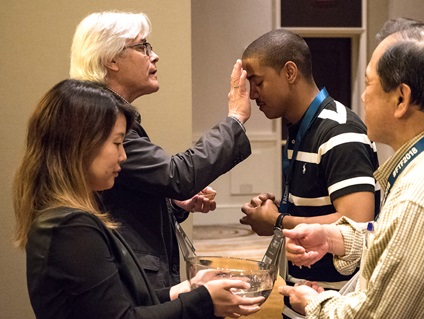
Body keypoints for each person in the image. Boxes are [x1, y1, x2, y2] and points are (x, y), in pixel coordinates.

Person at [278, 18, 424, 318]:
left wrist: (312, 302)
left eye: (369, 83)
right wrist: (334, 238)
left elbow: (375, 315)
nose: (362, 95)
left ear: (401, 98)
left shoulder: (420, 195)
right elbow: (402, 242)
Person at [13, 79, 263, 319]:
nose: (123, 156)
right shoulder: (70, 227)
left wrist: (185, 289)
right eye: (117, 143)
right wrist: (204, 300)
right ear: (80, 145)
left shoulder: (69, 219)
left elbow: (114, 303)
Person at [70, 11, 252, 289]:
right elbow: (176, 176)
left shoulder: (106, 111)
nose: (154, 56)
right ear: (111, 59)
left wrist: (174, 203)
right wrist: (235, 119)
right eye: (143, 47)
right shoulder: (101, 117)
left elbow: (124, 198)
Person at [239, 29, 380, 318]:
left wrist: (277, 221)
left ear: (289, 72)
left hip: (336, 300)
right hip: (306, 294)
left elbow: (357, 221)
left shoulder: (339, 129)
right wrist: (281, 207)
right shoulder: (304, 126)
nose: (252, 95)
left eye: (258, 82)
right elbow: (325, 203)